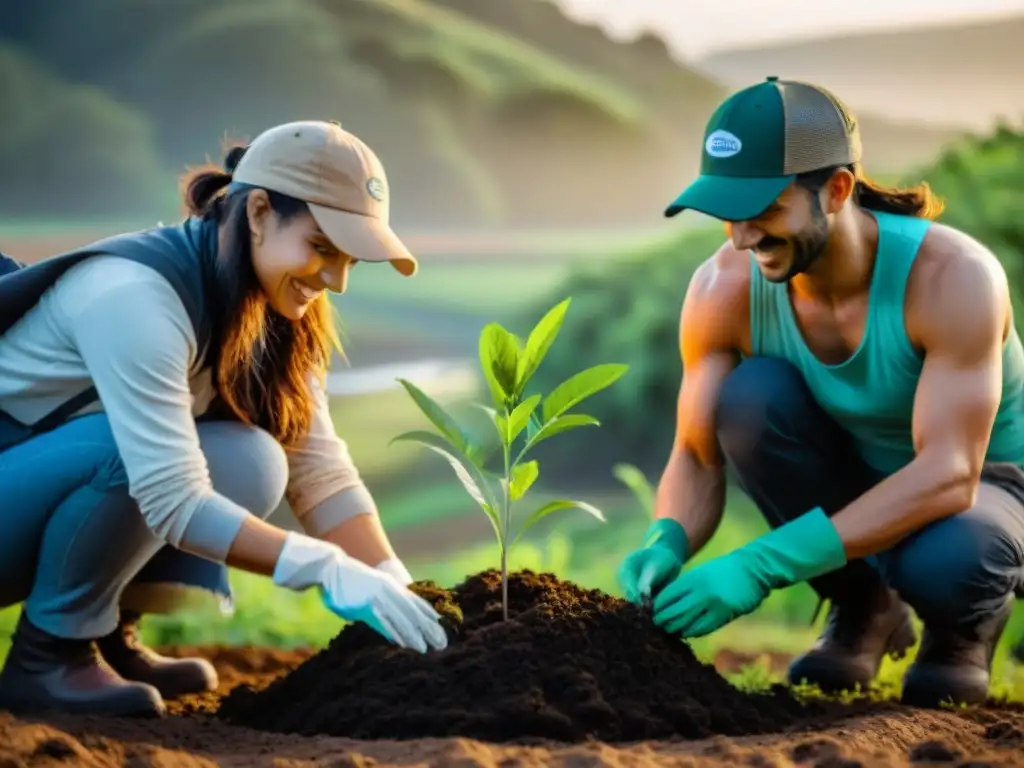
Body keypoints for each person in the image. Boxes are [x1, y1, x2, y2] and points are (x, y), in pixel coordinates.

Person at [0, 120, 449, 718]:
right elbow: (170, 496)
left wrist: (396, 582)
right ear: (259, 212)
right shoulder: (135, 297)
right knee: (129, 451)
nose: (335, 280)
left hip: (38, 491)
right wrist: (324, 567)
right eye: (321, 248)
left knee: (253, 459)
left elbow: (318, 469)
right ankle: (48, 655)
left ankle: (103, 629)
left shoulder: (268, 308)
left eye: (349, 262)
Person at [616, 77, 1024, 709]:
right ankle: (864, 608)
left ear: (835, 189)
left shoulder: (952, 279)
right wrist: (664, 538)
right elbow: (696, 455)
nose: (741, 237)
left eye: (765, 210)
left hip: (988, 487)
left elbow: (950, 473)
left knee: (950, 563)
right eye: (728, 212)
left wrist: (761, 564)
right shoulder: (721, 289)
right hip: (863, 471)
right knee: (750, 401)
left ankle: (960, 632)